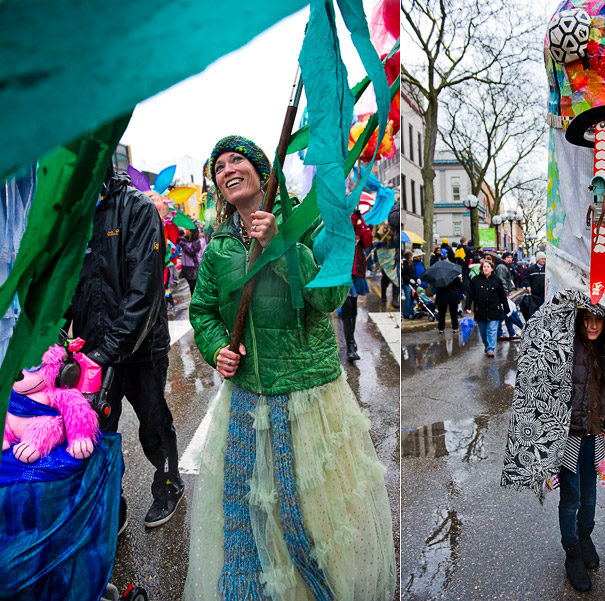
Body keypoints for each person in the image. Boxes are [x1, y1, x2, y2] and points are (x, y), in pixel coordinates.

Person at [187, 135, 395, 600]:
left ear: (264, 172)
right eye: (218, 166)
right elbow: (202, 311)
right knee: (249, 514)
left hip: (307, 397)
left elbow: (329, 297)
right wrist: (217, 345)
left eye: (236, 159)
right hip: (245, 399)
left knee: (307, 516)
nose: (226, 170)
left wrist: (280, 245)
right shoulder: (218, 246)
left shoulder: (307, 223)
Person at [65, 165, 183, 529]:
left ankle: (168, 485)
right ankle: (111, 502)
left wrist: (108, 350)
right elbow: (65, 286)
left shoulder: (136, 208)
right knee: (99, 431)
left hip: (141, 346)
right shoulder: (73, 217)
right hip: (92, 353)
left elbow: (144, 290)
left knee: (153, 421)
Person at [559, 310, 605, 592]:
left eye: (598, 319)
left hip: (594, 434)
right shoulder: (566, 346)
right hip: (570, 437)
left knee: (590, 497)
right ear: (578, 321)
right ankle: (571, 553)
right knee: (571, 499)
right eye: (586, 319)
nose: (593, 325)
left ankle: (585, 538)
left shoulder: (604, 346)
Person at [340, 209, 372, 362]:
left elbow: (367, 242)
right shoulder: (339, 216)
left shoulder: (360, 219)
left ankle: (351, 340)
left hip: (356, 270)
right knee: (346, 306)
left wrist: (359, 224)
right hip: (342, 268)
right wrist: (353, 220)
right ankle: (350, 346)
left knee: (353, 307)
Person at [463, 260, 509, 357]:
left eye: (488, 267)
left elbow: (502, 296)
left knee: (492, 330)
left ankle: (491, 348)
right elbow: (470, 294)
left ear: (492, 269)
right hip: (480, 309)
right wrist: (467, 307)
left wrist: (506, 308)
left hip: (494, 309)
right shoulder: (475, 280)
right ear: (481, 269)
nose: (486, 269)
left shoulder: (497, 280)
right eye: (484, 267)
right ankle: (486, 344)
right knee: (483, 331)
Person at [494, 252, 519, 340]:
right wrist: (504, 294)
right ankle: (501, 333)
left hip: (504, 294)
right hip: (502, 295)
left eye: (511, 257)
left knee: (507, 314)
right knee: (505, 314)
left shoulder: (505, 266)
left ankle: (510, 333)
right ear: (503, 258)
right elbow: (502, 281)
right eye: (508, 257)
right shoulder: (501, 267)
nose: (510, 259)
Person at [434, 256, 462, 334]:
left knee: (442, 313)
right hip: (452, 295)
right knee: (453, 313)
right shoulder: (453, 273)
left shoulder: (437, 274)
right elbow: (458, 284)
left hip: (441, 295)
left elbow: (435, 285)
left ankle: (441, 328)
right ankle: (455, 327)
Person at [177, 222, 205, 295]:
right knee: (190, 286)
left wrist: (183, 244)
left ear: (192, 232)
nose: (187, 231)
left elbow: (191, 252)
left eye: (188, 230)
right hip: (186, 268)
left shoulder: (197, 242)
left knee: (194, 287)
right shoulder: (184, 240)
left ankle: (195, 302)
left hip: (193, 268)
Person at [401, 250, 417, 319]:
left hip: (413, 283)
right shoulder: (404, 264)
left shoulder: (412, 264)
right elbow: (403, 274)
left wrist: (417, 279)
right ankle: (406, 313)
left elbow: (414, 273)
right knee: (408, 298)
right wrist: (409, 279)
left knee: (413, 298)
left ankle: (412, 311)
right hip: (407, 283)